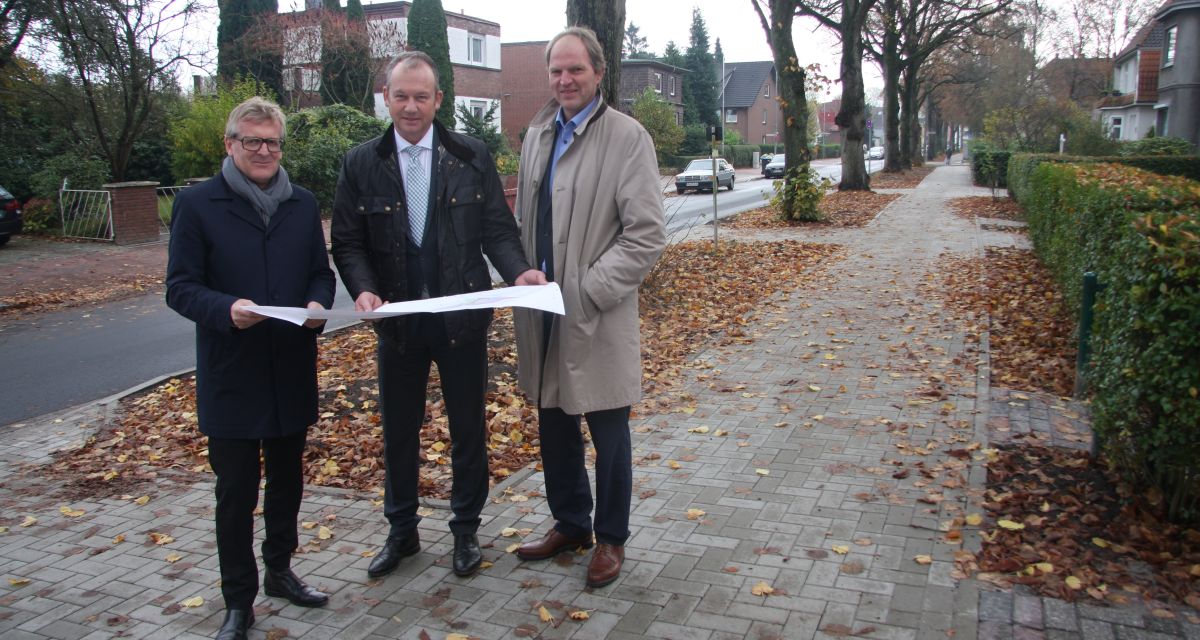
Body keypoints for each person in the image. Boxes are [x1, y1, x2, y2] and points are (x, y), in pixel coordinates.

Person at [330, 51, 544, 580]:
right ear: (386, 97)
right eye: (400, 95)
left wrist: (518, 273)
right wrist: (362, 290)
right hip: (399, 324)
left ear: (437, 100)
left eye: (420, 96)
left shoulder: (469, 155)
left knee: (468, 429)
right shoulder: (362, 163)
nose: (410, 106)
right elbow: (348, 242)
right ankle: (401, 531)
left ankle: (466, 530)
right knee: (399, 432)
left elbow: (497, 228)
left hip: (461, 322)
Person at [166, 96, 335, 640]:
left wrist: (316, 306)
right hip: (232, 373)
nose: (264, 151)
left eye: (273, 142)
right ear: (230, 144)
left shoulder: (303, 203)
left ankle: (280, 571)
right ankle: (238, 600)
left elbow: (319, 272)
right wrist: (225, 310)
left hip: (289, 369)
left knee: (287, 483)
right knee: (236, 494)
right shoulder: (197, 205)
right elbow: (181, 287)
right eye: (252, 141)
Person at [511, 27, 666, 588]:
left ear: (599, 73)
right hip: (542, 311)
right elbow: (529, 221)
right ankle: (571, 523)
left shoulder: (627, 138)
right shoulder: (536, 134)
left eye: (576, 70)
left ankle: (611, 538)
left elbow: (645, 235)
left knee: (608, 431)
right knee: (553, 422)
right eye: (556, 70)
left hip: (596, 312)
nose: (564, 79)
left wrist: (589, 290)